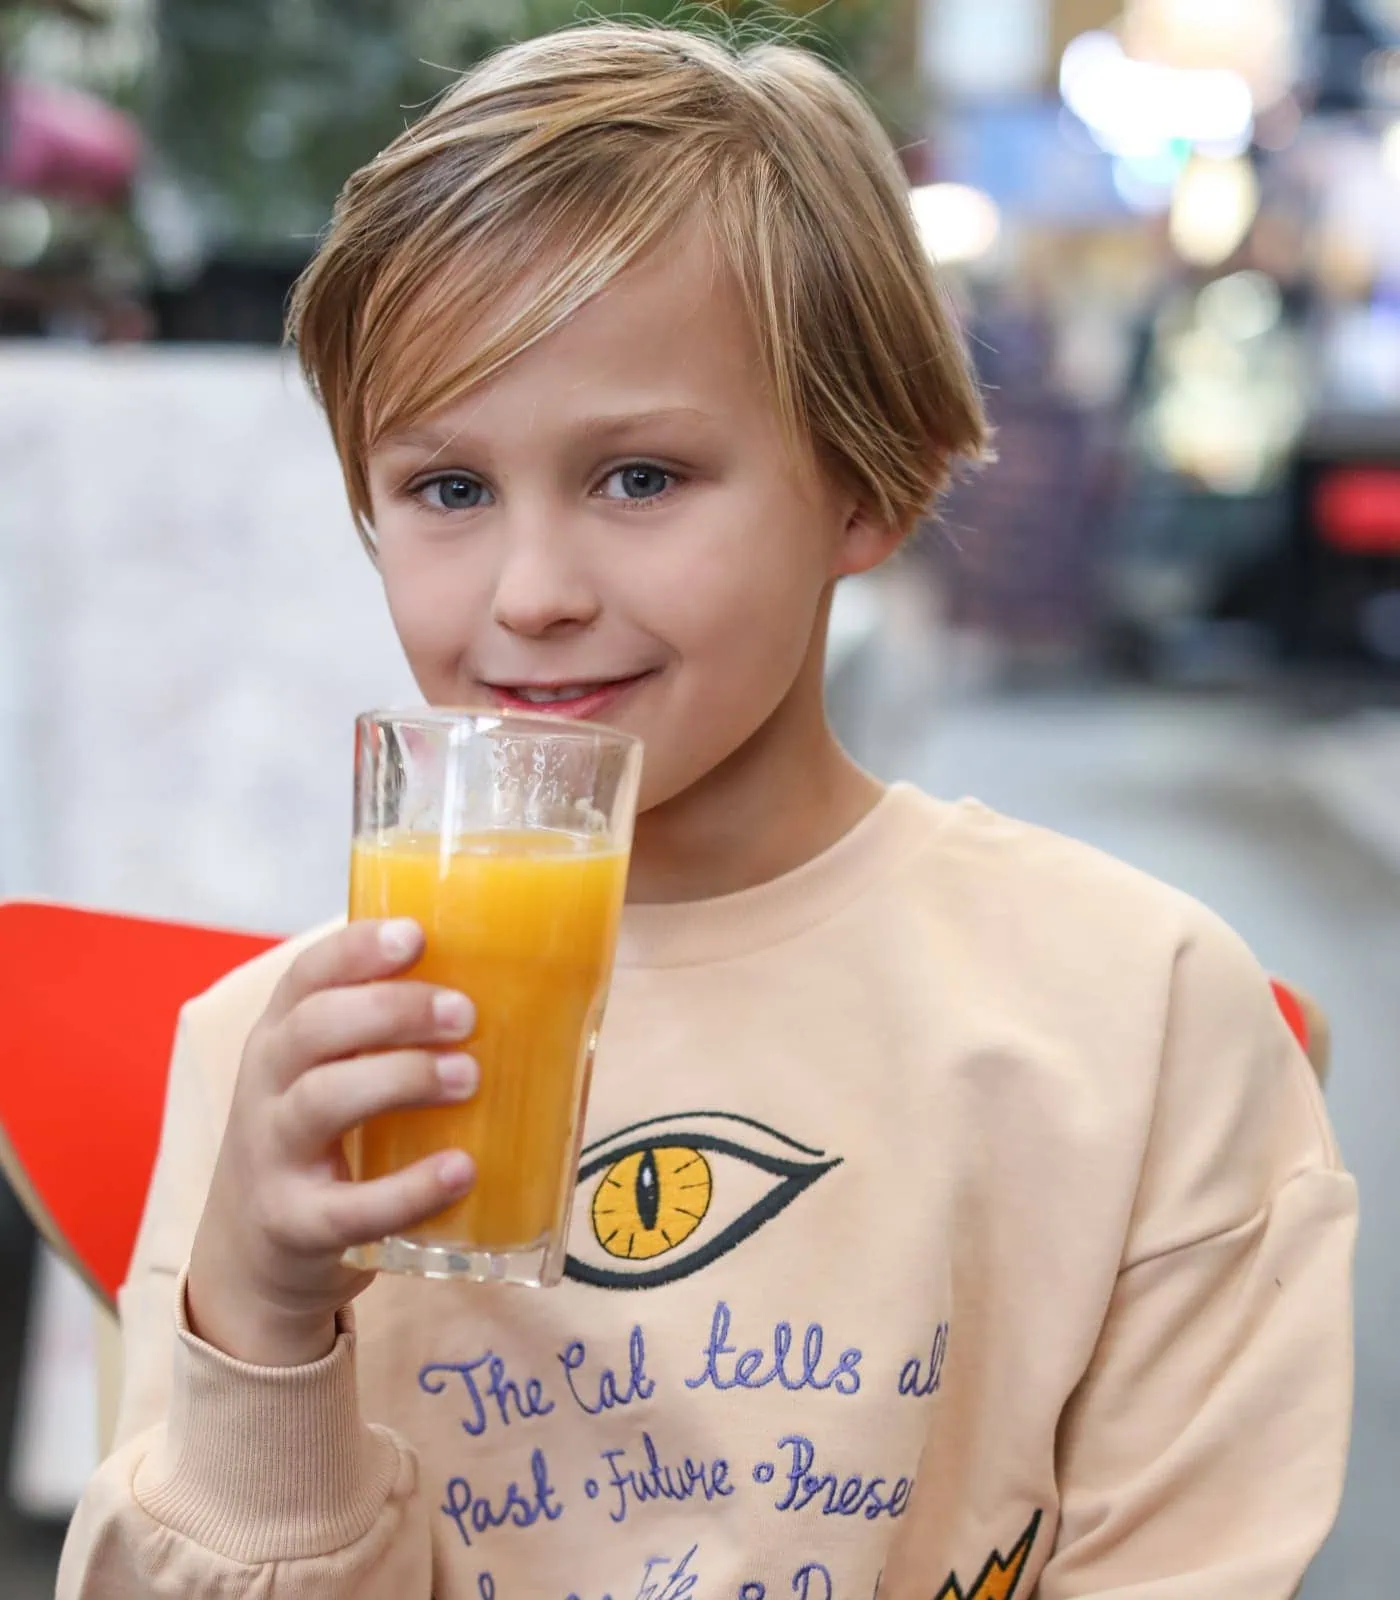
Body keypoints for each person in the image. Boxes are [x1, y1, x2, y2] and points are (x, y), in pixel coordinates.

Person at [57, 23, 1356, 1600]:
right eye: (449, 489)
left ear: (872, 482)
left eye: (642, 478)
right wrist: (259, 1326)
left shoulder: (1136, 1018)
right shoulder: (281, 1060)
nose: (532, 596)